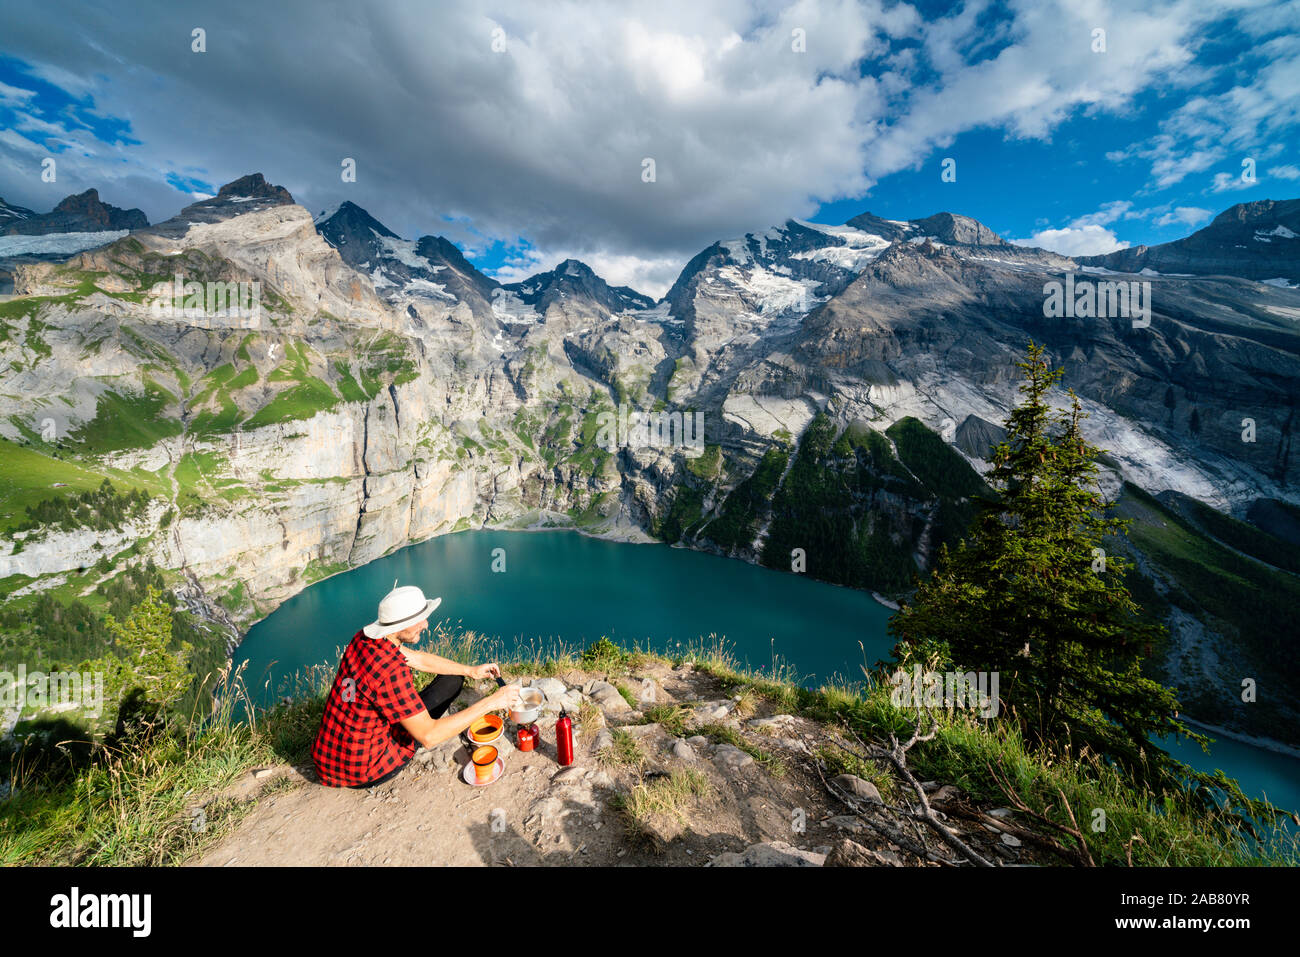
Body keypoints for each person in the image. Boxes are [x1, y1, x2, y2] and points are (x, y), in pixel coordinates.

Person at [310, 584, 521, 788]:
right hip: (366, 769)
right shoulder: (391, 672)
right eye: (420, 620)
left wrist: (470, 670)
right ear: (400, 625)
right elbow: (429, 737)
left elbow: (417, 660)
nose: (426, 624)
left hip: (329, 758)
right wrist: (492, 702)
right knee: (427, 724)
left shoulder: (365, 640)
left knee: (453, 679)